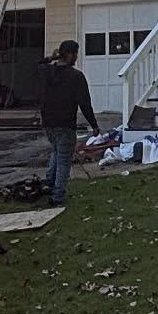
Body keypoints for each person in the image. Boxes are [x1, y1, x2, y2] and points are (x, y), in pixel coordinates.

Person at [37, 40, 99, 206]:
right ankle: (57, 196)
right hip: (65, 123)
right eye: (75, 54)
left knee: (57, 151)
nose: (77, 57)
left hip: (48, 123)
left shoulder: (47, 72)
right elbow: (85, 103)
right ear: (70, 54)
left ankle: (49, 183)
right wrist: (94, 124)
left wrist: (52, 57)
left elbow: (39, 64)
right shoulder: (76, 77)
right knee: (64, 159)